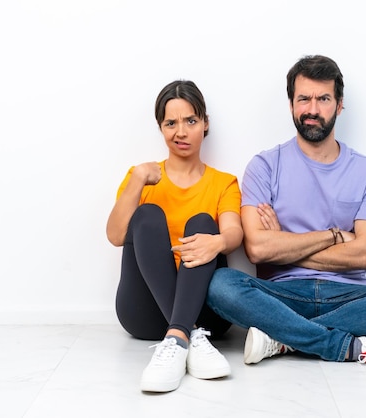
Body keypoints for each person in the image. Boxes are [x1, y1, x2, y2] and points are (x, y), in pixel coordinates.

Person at [206, 55, 366, 366]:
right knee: (221, 285)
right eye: (304, 99)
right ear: (291, 105)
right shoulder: (265, 166)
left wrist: (284, 243)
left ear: (339, 105)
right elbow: (257, 248)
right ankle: (344, 345)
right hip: (282, 296)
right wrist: (334, 236)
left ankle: (283, 339)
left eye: (323, 98)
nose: (313, 109)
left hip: (350, 296)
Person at [106, 80, 243, 392]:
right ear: (161, 127)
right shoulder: (141, 177)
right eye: (171, 123)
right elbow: (115, 236)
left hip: (206, 314)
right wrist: (139, 179)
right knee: (147, 215)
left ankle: (179, 335)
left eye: (191, 121)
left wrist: (218, 241)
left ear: (205, 123)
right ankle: (186, 334)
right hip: (144, 312)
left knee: (204, 222)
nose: (181, 132)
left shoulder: (224, 183)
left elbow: (234, 232)